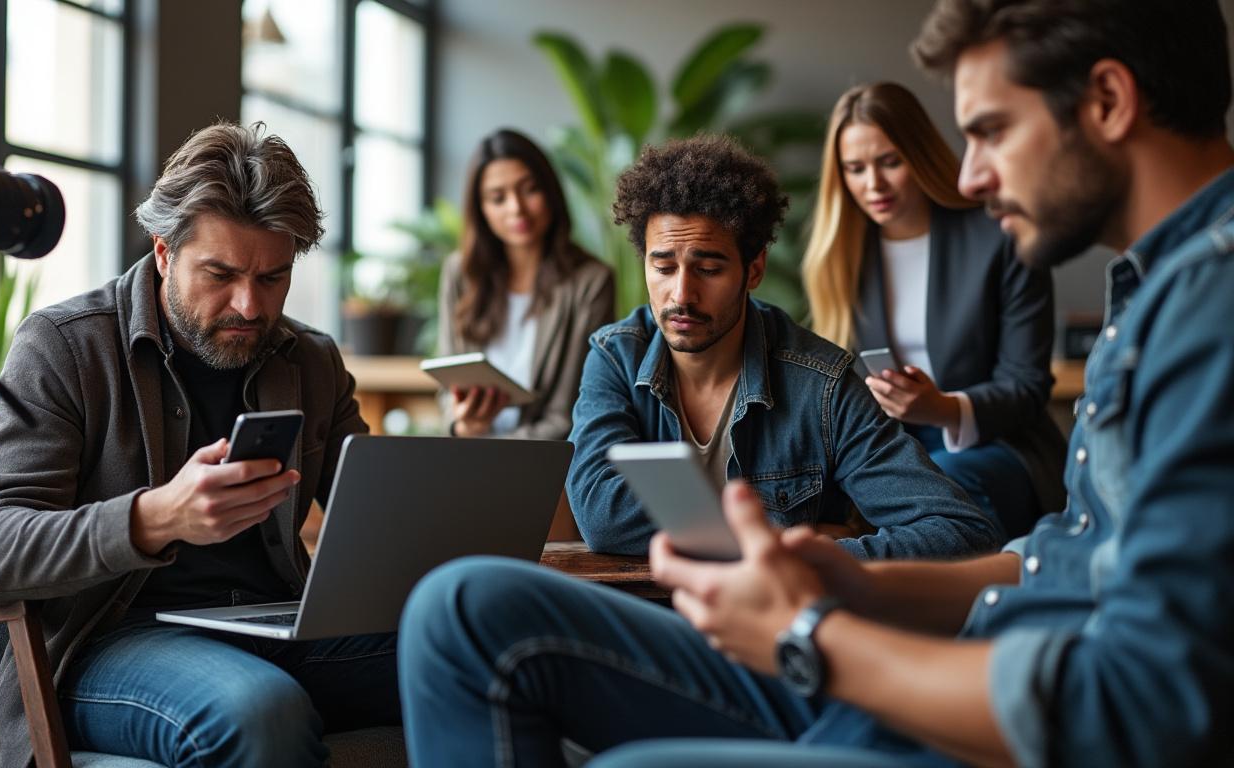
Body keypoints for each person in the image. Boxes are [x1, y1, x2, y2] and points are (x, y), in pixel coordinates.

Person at [396, 0, 1234, 765]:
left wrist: (810, 631)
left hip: (960, 690)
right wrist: (848, 577)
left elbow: (1143, 696)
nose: (970, 177)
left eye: (989, 130)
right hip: (937, 652)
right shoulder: (1153, 293)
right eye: (663, 265)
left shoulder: (1206, 305)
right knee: (459, 606)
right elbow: (1063, 565)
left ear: (1110, 102)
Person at [0, 122, 400, 768]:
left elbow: (373, 513)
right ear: (164, 252)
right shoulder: (64, 347)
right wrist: (154, 517)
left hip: (275, 624)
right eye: (220, 274)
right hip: (109, 641)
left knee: (480, 644)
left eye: (274, 278)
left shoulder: (312, 361)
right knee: (261, 714)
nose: (249, 305)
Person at [566, 133, 999, 558]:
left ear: (753, 271)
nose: (681, 294)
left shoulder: (821, 384)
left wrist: (820, 557)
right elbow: (601, 517)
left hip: (780, 621)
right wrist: (792, 534)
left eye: (709, 269)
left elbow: (961, 531)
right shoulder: (616, 356)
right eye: (663, 267)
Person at [802, 81, 1065, 540]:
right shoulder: (841, 254)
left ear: (920, 155)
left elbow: (1027, 387)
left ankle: (955, 603)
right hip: (887, 446)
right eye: (855, 169)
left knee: (943, 483)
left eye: (889, 162)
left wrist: (942, 408)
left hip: (995, 445)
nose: (873, 184)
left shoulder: (1000, 238)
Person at [437, 128, 614, 439]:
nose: (516, 208)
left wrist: (497, 452)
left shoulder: (591, 282)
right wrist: (462, 425)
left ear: (551, 193)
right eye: (498, 198)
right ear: (481, 209)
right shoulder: (460, 273)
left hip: (547, 464)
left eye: (530, 189)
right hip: (467, 453)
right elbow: (448, 388)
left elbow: (569, 412)